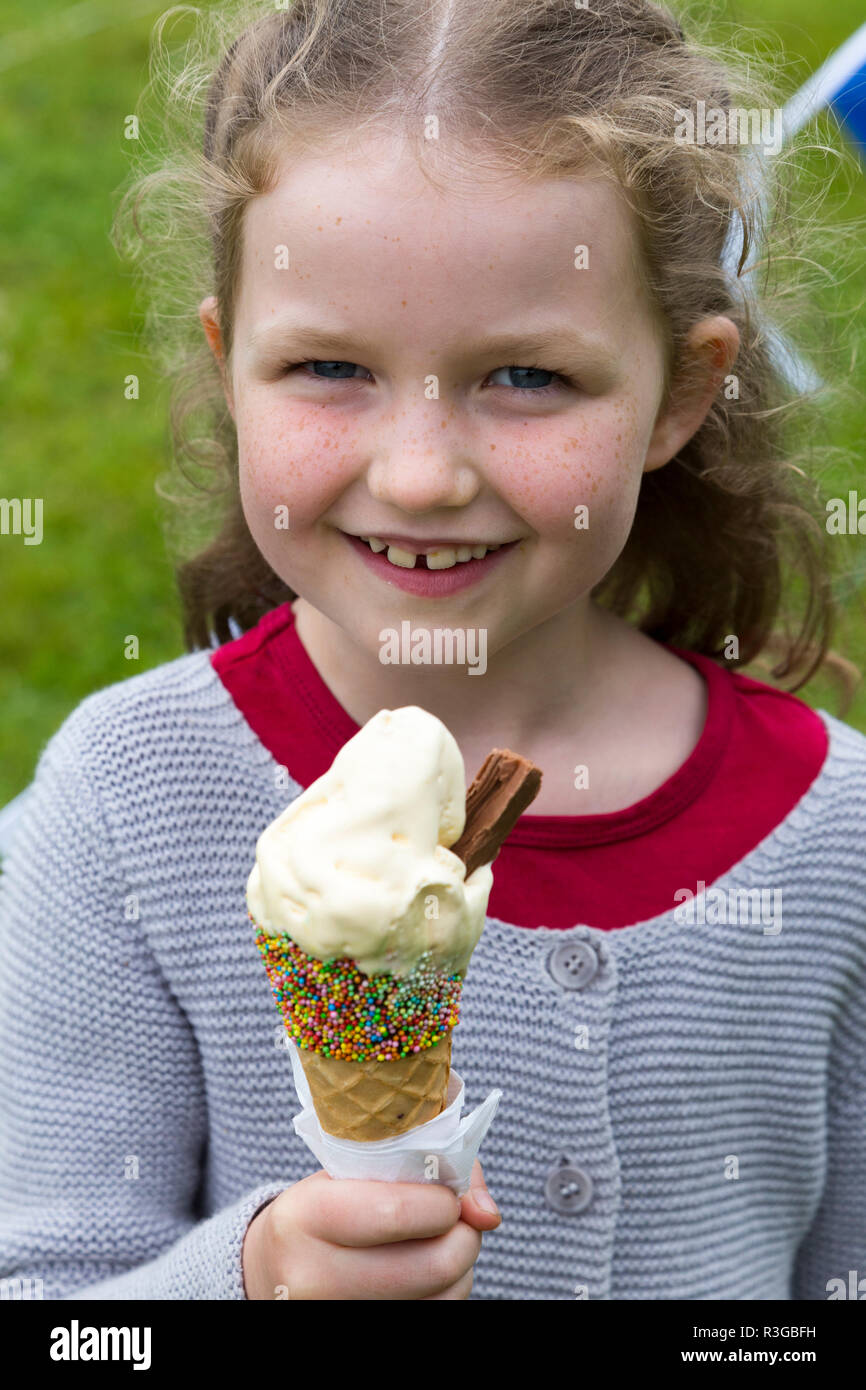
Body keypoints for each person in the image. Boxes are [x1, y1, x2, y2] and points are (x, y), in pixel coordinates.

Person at [1, 0, 864, 1301]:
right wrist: (250, 1278)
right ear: (229, 367)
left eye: (524, 377)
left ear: (680, 394)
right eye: (329, 365)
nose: (416, 475)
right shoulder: (126, 809)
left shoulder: (832, 839)